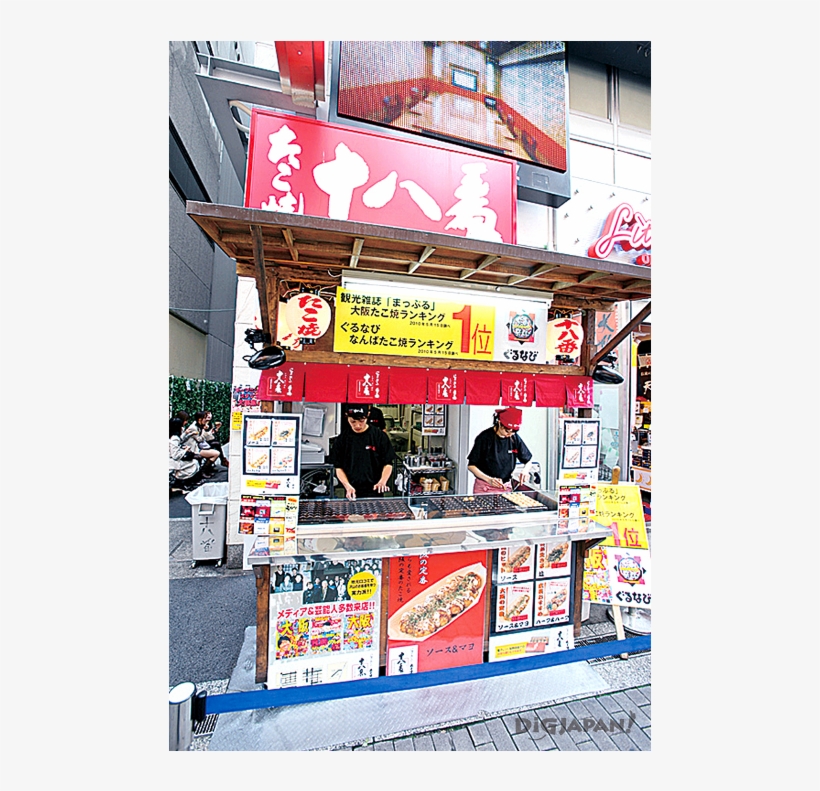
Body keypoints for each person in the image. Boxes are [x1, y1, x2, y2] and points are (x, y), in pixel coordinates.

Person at [329, 404, 396, 500]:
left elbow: (388, 463)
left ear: (368, 415)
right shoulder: (342, 439)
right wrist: (347, 486)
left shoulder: (379, 436)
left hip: (376, 489)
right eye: (353, 421)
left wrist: (382, 482)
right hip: (351, 490)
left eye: (361, 421)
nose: (357, 425)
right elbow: (338, 466)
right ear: (347, 416)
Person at [466, 406, 533, 494]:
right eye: (507, 431)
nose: (509, 434)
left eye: (513, 432)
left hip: (505, 488)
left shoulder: (514, 438)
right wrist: (489, 480)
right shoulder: (484, 438)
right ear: (499, 423)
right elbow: (471, 466)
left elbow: (528, 461)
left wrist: (525, 471)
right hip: (485, 487)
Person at [169, 417, 204, 488]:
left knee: (196, 459)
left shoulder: (172, 436)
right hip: (172, 461)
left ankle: (188, 481)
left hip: (172, 459)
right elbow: (175, 455)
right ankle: (183, 480)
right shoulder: (174, 438)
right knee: (195, 463)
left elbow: (179, 442)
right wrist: (185, 450)